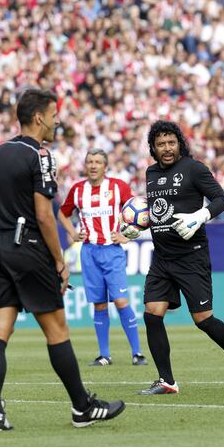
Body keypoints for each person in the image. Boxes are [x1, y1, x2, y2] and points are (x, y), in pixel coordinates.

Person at [0, 88, 125, 430]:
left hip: (0, 250)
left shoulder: (0, 152)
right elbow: (44, 214)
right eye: (54, 115)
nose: (57, 121)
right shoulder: (40, 155)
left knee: (0, 332)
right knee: (57, 330)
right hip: (29, 249)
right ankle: (82, 407)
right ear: (39, 117)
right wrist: (59, 260)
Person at [122, 120, 224, 395]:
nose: (167, 149)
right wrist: (137, 227)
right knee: (152, 315)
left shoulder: (193, 169)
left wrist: (199, 216)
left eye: (171, 143)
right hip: (162, 258)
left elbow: (221, 199)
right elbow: (159, 212)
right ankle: (167, 380)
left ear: (179, 143)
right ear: (153, 148)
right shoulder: (151, 173)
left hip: (191, 256)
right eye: (161, 144)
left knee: (203, 319)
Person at [58, 149, 147, 367]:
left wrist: (126, 237)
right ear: (85, 165)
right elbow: (62, 213)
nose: (93, 165)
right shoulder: (78, 190)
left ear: (105, 166)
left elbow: (140, 212)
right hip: (89, 252)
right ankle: (104, 355)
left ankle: (137, 353)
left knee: (120, 300)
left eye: (98, 161)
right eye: (90, 161)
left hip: (112, 251)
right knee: (99, 304)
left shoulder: (118, 187)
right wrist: (72, 232)